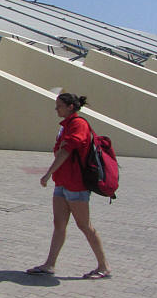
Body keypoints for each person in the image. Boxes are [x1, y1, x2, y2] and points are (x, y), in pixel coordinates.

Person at [26, 93, 111, 279]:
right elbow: (62, 149)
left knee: (84, 225)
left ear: (70, 107)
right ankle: (49, 265)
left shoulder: (78, 124)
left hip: (76, 185)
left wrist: (48, 173)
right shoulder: (66, 125)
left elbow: (65, 152)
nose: (56, 109)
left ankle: (103, 266)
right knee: (59, 224)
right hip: (62, 183)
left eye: (59, 106)